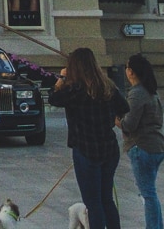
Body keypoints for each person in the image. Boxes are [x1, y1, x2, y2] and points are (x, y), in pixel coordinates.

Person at [50, 47, 129, 229]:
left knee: (93, 203)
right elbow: (124, 108)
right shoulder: (108, 86)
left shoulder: (75, 89)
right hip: (109, 148)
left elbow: (53, 98)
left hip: (85, 149)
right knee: (106, 199)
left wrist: (61, 79)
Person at [120, 53, 164, 229]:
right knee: (150, 192)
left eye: (126, 67)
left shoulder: (137, 93)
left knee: (148, 194)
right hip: (157, 146)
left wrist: (116, 119)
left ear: (131, 71)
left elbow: (129, 124)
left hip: (142, 147)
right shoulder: (150, 91)